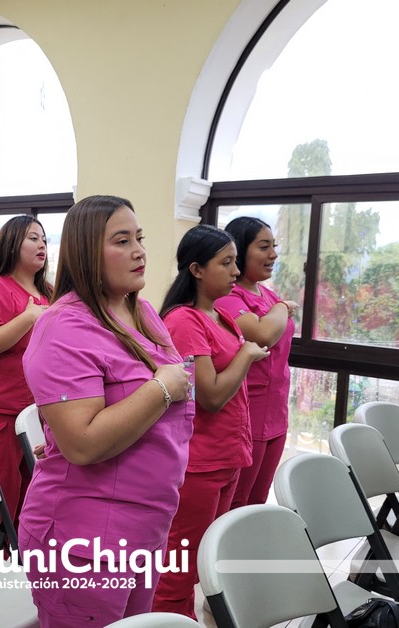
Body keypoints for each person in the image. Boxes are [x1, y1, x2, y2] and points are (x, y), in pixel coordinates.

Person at [19, 195, 193, 627]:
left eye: (140, 238)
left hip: (146, 522)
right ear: (86, 252)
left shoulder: (142, 311)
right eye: (122, 241)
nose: (139, 251)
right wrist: (161, 389)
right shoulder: (63, 325)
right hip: (86, 535)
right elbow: (82, 443)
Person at [152, 224, 268, 620]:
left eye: (236, 262)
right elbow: (212, 396)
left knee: (204, 559)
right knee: (178, 572)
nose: (236, 271)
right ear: (197, 270)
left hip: (225, 457)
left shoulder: (220, 316)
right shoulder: (185, 322)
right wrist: (246, 355)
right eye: (226, 263)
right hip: (198, 464)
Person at [0, 215, 51, 548]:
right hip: (2, 413)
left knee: (32, 498)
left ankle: (22, 564)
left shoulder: (47, 291)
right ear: (12, 243)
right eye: (33, 238)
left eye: (44, 239)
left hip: (40, 412)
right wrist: (28, 317)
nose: (42, 244)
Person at [217, 217, 298, 508]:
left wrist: (278, 309)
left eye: (274, 246)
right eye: (263, 247)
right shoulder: (228, 296)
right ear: (239, 251)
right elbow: (263, 335)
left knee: (258, 500)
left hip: (276, 411)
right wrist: (282, 308)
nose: (273, 255)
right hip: (249, 411)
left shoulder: (267, 293)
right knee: (237, 503)